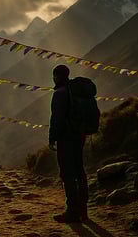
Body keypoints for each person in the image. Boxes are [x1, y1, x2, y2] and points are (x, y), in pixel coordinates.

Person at [48, 64, 89, 223]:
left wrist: (52, 138)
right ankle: (83, 210)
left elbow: (56, 118)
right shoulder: (76, 92)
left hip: (65, 138)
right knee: (80, 170)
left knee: (68, 174)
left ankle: (72, 211)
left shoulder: (60, 93)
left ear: (57, 76)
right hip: (80, 136)